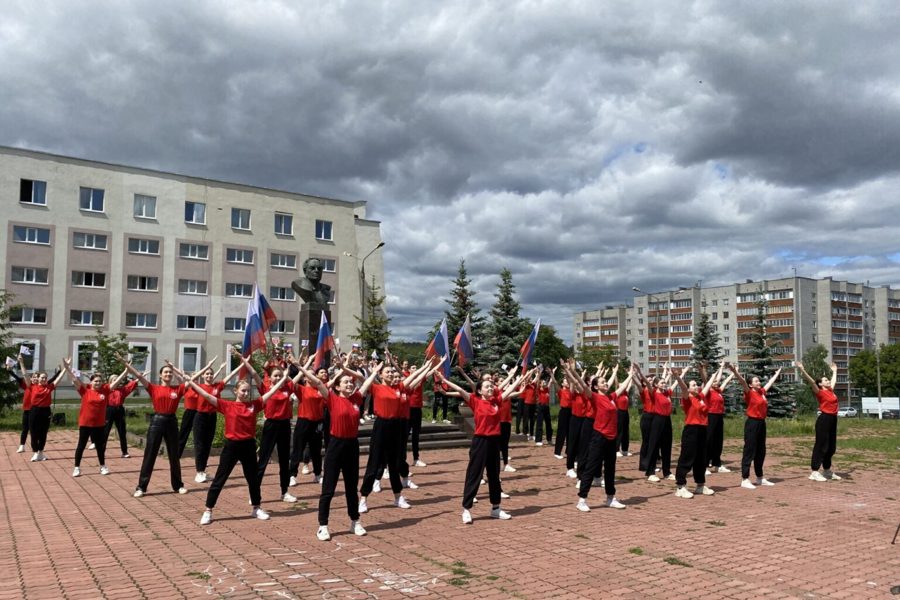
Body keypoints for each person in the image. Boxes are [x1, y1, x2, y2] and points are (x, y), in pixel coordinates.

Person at [181, 371, 291, 525]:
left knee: (253, 479)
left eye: (248, 391)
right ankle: (208, 510)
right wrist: (191, 382)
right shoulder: (227, 405)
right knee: (220, 478)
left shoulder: (254, 405)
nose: (246, 393)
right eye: (243, 390)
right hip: (231, 447)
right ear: (236, 391)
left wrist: (284, 379)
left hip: (249, 446)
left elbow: (271, 392)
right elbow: (206, 396)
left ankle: (256, 508)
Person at [297, 357, 381, 541]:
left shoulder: (357, 398)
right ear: (337, 386)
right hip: (335, 445)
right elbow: (318, 382)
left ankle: (355, 521)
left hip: (352, 446)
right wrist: (299, 366)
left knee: (351, 487)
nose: (350, 384)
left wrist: (371, 372)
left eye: (350, 383)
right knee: (329, 488)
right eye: (345, 382)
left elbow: (363, 380)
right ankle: (323, 525)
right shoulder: (332, 398)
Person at [437, 370, 522, 524]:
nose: (490, 388)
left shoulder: (496, 401)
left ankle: (496, 508)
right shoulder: (475, 401)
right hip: (480, 441)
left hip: (494, 442)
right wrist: (444, 379)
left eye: (491, 386)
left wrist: (520, 377)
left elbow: (509, 390)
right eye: (486, 387)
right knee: (474, 474)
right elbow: (461, 390)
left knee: (494, 475)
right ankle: (466, 509)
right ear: (480, 390)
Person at [121, 356, 212, 497]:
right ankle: (141, 487)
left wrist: (206, 368)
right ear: (160, 375)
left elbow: (191, 380)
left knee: (174, 455)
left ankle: (178, 485)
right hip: (157, 422)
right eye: (166, 372)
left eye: (170, 372)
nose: (168, 374)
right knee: (150, 454)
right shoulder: (153, 388)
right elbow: (138, 375)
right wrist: (125, 364)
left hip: (171, 422)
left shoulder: (178, 388)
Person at [358, 361, 434, 511]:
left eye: (392, 372)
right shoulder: (377, 387)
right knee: (374, 462)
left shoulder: (399, 387)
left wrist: (427, 366)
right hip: (381, 426)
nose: (391, 374)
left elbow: (415, 376)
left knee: (395, 463)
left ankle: (398, 497)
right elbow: (362, 380)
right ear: (381, 375)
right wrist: (373, 372)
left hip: (396, 427)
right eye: (387, 372)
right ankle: (363, 498)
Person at [562, 360, 632, 511]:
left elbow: (623, 386)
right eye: (602, 382)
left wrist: (632, 373)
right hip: (599, 437)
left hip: (611, 439)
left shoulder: (610, 397)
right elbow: (581, 384)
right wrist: (573, 371)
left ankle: (610, 498)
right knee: (591, 467)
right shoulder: (594, 396)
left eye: (606, 381)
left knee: (610, 469)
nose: (606, 383)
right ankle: (582, 500)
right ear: (595, 386)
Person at [241, 354, 308, 503]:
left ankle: (284, 492)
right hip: (271, 425)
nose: (278, 378)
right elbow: (254, 374)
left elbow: (302, 373)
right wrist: (246, 362)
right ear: (270, 378)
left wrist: (298, 363)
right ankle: (254, 494)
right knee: (263, 460)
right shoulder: (265, 388)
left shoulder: (288, 387)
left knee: (284, 461)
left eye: (280, 375)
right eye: (275, 376)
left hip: (284, 425)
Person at [727, 362, 782, 489]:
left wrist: (777, 374)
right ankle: (745, 479)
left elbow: (769, 384)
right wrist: (735, 372)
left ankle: (759, 478)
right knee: (749, 451)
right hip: (752, 423)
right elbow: (742, 382)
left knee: (761, 451)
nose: (759, 382)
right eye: (756, 381)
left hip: (761, 423)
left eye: (759, 381)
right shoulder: (749, 392)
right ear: (751, 384)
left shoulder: (762, 392)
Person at [63, 359, 121, 477]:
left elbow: (116, 383)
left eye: (99, 381)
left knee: (100, 447)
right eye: (95, 381)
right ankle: (77, 468)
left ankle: (102, 466)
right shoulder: (85, 391)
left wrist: (126, 370)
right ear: (91, 382)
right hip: (85, 423)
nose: (98, 383)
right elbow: (75, 379)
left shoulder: (105, 390)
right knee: (81, 445)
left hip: (99, 424)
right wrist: (68, 368)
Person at [671, 367, 718, 498]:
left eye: (696, 384)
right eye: (693, 385)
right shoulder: (687, 398)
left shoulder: (700, 397)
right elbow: (683, 388)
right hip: (691, 430)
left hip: (703, 430)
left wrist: (714, 374)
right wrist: (678, 377)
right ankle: (680, 486)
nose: (696, 386)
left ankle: (700, 485)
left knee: (701, 459)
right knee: (687, 458)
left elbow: (707, 385)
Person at [191, 361, 241, 483]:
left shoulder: (217, 387)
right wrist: (207, 366)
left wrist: (240, 365)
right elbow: (192, 379)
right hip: (200, 417)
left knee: (207, 444)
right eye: (207, 374)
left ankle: (202, 470)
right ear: (203, 375)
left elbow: (230, 376)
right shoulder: (200, 387)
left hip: (211, 417)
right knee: (200, 445)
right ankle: (199, 472)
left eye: (211, 374)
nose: (209, 376)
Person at [796, 361, 842, 482]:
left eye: (828, 380)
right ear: (820, 384)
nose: (828, 381)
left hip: (833, 419)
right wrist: (802, 370)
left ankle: (826, 470)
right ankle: (814, 471)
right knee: (822, 446)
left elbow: (834, 381)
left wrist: (835, 371)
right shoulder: (820, 392)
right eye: (825, 380)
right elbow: (811, 381)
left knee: (831, 447)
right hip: (824, 420)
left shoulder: (830, 391)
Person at [289, 364, 329, 487]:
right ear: (306, 378)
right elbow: (290, 383)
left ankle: (318, 474)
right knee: (298, 449)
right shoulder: (301, 389)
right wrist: (301, 369)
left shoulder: (321, 389)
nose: (312, 377)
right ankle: (292, 475)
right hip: (303, 422)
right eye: (309, 376)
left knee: (316, 450)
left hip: (317, 423)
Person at [21, 365, 65, 462]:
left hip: (46, 411)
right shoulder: (32, 386)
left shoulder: (49, 387)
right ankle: (35, 452)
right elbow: (25, 375)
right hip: (34, 411)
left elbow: (59, 378)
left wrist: (65, 368)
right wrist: (21, 362)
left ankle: (41, 452)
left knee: (43, 433)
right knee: (33, 433)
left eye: (45, 378)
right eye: (42, 377)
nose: (44, 379)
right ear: (38, 378)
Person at [643, 368, 676, 483]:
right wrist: (639, 374)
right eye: (662, 382)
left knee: (667, 446)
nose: (664, 384)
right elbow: (648, 383)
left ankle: (666, 472)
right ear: (656, 385)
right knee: (654, 446)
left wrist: (674, 375)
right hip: (657, 420)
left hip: (667, 420)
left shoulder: (666, 393)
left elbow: (675, 383)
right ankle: (650, 472)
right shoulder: (654, 393)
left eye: (665, 382)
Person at [101, 367, 139, 458]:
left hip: (119, 410)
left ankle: (124, 452)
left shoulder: (122, 390)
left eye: (118, 379)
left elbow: (130, 385)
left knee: (122, 431)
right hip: (109, 410)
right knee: (105, 431)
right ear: (111, 381)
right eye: (115, 380)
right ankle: (101, 451)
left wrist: (140, 378)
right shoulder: (107, 389)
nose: (117, 381)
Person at [704, 361, 734, 474]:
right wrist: (719, 370)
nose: (717, 382)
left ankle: (717, 464)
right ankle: (705, 465)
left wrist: (733, 373)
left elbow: (725, 381)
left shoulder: (718, 391)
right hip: (710, 416)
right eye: (714, 381)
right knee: (709, 440)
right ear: (711, 383)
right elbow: (715, 378)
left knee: (718, 440)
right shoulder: (708, 392)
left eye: (717, 381)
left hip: (719, 417)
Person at [553, 375, 572, 460]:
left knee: (570, 433)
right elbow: (555, 384)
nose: (567, 383)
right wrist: (552, 375)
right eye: (565, 381)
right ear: (562, 384)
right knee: (561, 432)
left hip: (571, 412)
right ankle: (557, 452)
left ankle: (568, 451)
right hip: (564, 412)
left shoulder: (571, 391)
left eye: (568, 381)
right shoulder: (561, 391)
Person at [534, 371, 554, 446]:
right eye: (543, 382)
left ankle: (549, 439)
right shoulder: (538, 390)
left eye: (545, 382)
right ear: (540, 384)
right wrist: (539, 374)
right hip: (540, 406)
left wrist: (553, 373)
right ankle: (538, 440)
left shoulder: (547, 389)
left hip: (546, 407)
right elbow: (538, 381)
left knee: (548, 423)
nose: (544, 383)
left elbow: (551, 381)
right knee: (539, 423)